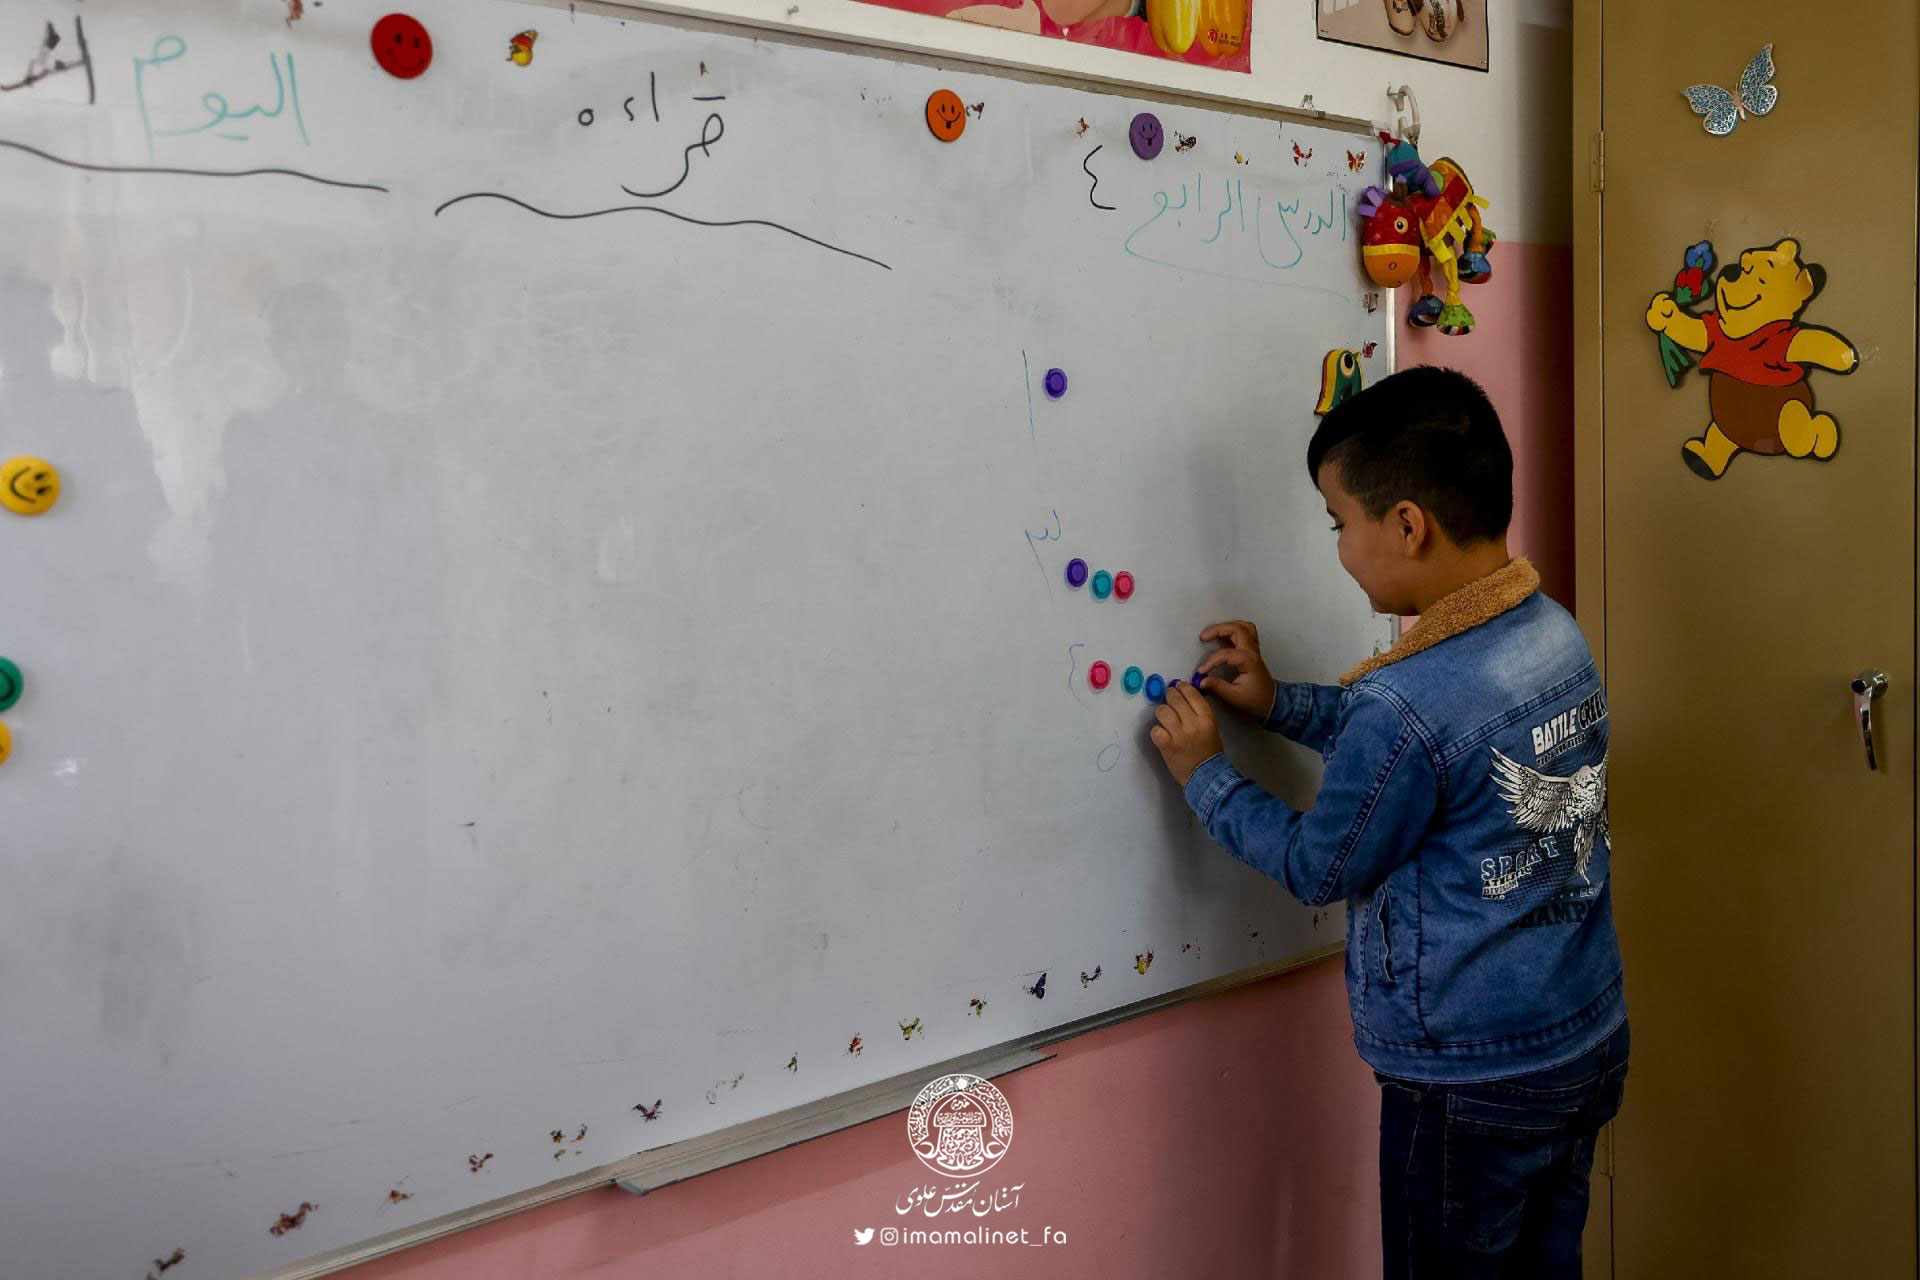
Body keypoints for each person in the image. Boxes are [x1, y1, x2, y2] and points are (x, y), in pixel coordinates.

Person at [1148, 365, 1627, 1277]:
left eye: (1339, 524)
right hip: (1583, 1036)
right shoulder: (1551, 630)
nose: (1338, 547)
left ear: (1407, 525)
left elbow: (1320, 864)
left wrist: (1205, 775)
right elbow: (1427, 757)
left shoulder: (1404, 703)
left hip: (1470, 1082)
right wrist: (1282, 703)